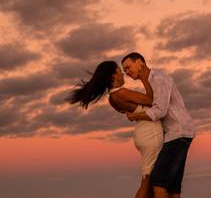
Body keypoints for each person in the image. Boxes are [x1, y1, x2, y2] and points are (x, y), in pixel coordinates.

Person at [67, 60, 164, 198]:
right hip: (150, 134)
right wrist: (144, 78)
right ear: (113, 76)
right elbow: (151, 100)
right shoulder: (121, 93)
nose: (123, 74)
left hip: (144, 133)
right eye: (120, 71)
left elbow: (131, 113)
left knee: (151, 182)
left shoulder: (112, 97)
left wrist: (135, 114)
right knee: (147, 183)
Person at [122, 52, 196, 198]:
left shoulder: (159, 79)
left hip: (178, 133)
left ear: (140, 63)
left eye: (128, 67)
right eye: (124, 70)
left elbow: (160, 111)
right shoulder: (151, 82)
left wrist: (134, 116)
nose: (127, 73)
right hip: (177, 133)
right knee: (173, 185)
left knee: (158, 180)